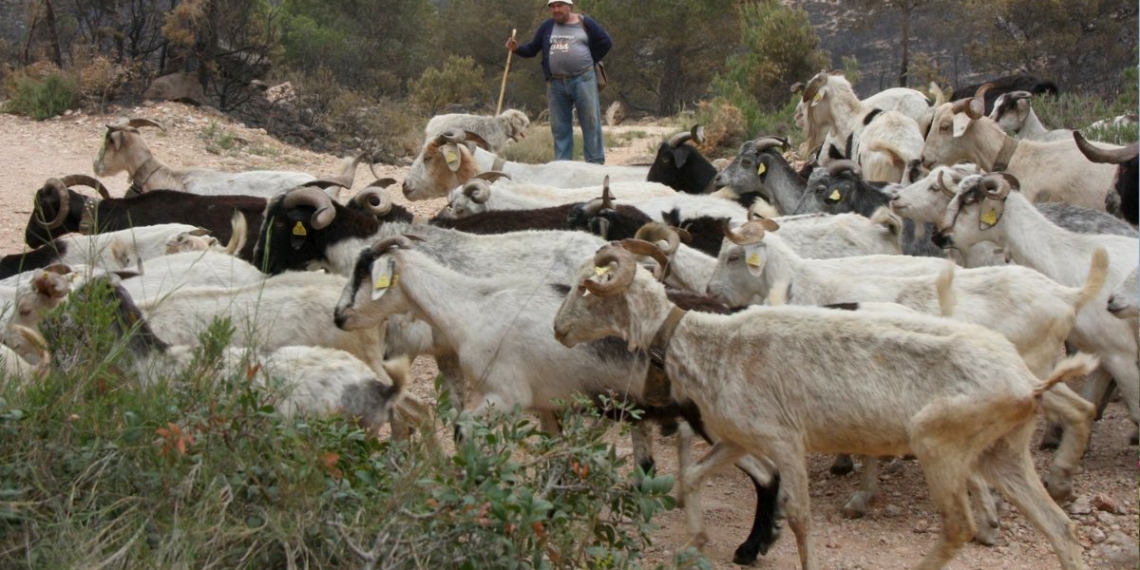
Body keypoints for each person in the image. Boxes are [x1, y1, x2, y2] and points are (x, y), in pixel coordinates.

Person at [507, 1, 612, 164]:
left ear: (569, 6)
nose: (556, 10)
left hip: (583, 79)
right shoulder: (547, 27)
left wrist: (589, 60)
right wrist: (517, 48)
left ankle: (595, 164)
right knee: (560, 127)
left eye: (560, 6)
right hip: (555, 83)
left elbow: (606, 42)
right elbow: (532, 49)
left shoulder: (585, 22)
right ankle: (563, 166)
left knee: (591, 122)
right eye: (553, 7)